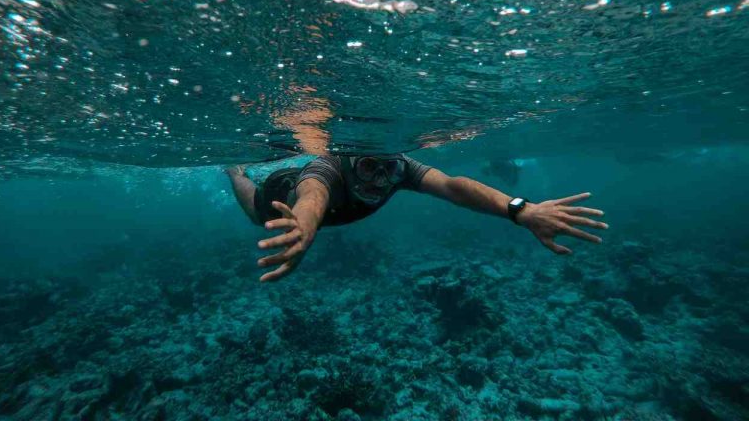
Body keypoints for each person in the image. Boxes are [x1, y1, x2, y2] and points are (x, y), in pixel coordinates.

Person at [227, 154, 608, 282]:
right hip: (282, 193)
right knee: (254, 215)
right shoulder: (327, 168)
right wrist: (303, 228)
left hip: (319, 208)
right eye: (368, 168)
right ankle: (235, 172)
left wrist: (520, 209)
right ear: (348, 160)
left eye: (387, 169)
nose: (379, 181)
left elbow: (453, 185)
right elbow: (313, 195)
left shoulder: (400, 167)